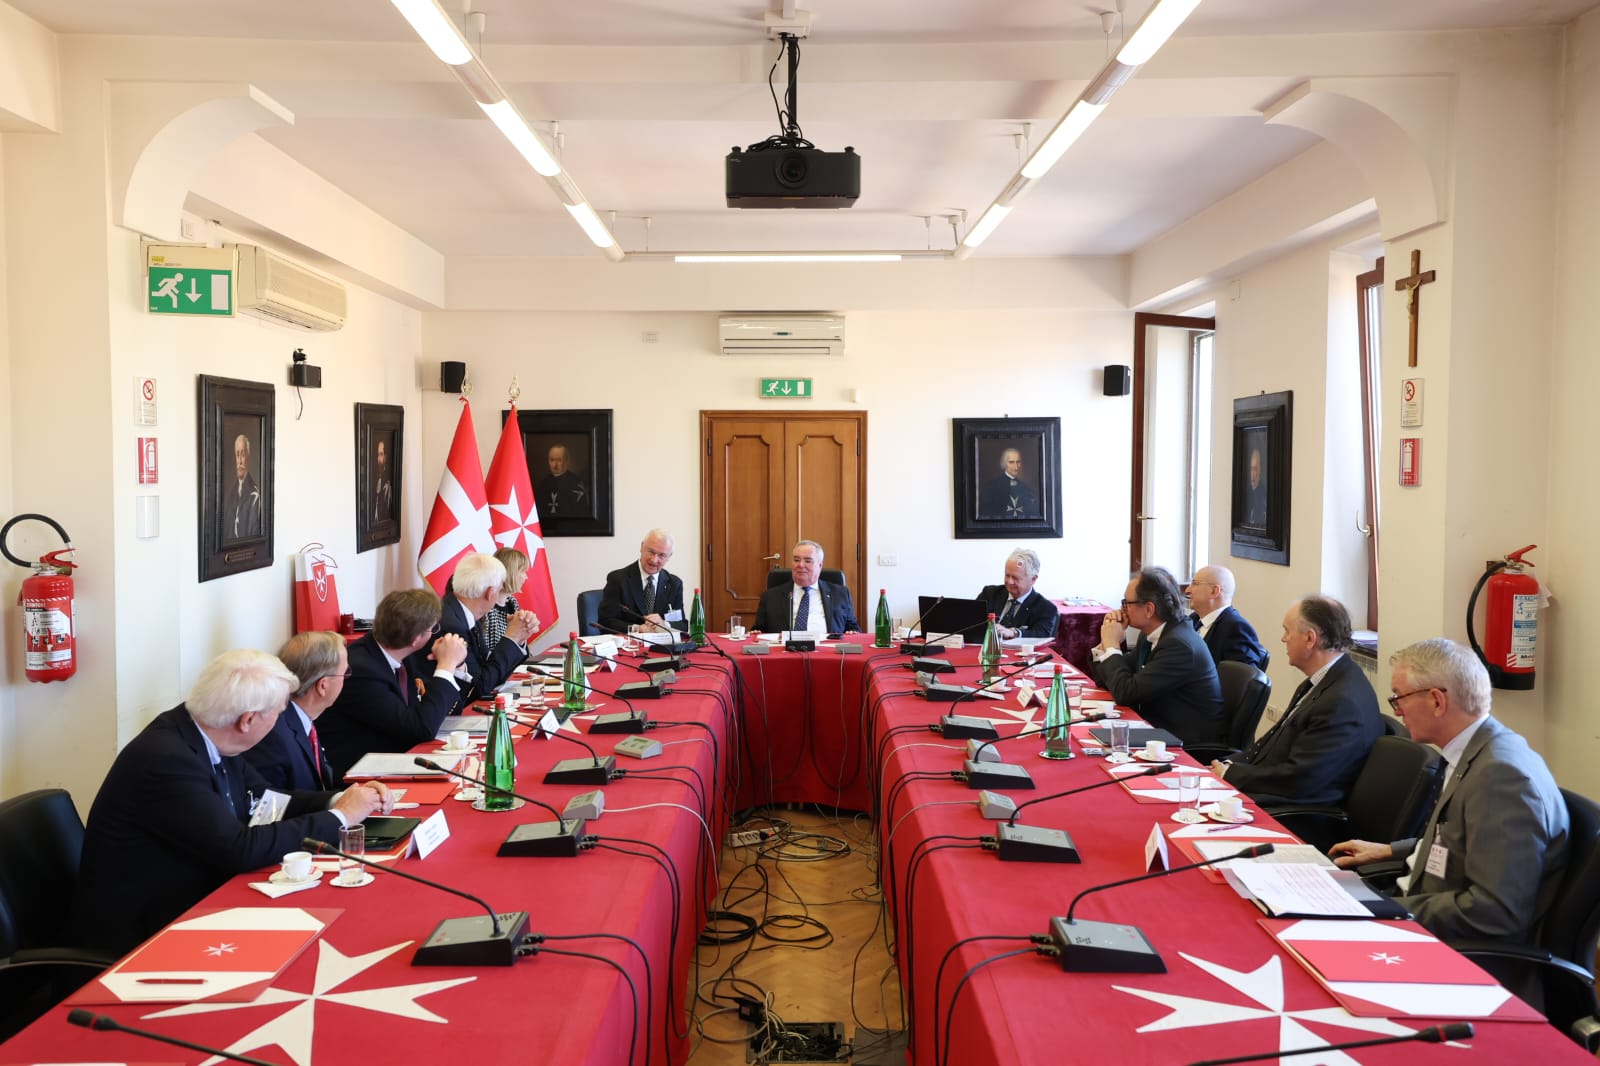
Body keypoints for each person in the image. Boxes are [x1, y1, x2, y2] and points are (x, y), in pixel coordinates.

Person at [69, 650, 389, 956]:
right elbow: (239, 849)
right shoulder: (166, 760)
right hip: (144, 928)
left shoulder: (210, 732)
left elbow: (265, 799)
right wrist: (341, 817)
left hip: (196, 896)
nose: (280, 721)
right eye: (278, 713)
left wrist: (339, 799)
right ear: (247, 720)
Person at [1330, 638, 1569, 944]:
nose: (1398, 711)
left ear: (1436, 701)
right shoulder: (1476, 751)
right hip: (1419, 909)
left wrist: (1384, 908)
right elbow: (1460, 839)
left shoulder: (1502, 778)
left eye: (1399, 698)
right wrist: (1390, 851)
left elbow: (1496, 911)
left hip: (1449, 946)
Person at [1209, 596, 1381, 807]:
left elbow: (1300, 778)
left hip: (1293, 811)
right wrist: (1230, 764)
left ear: (1310, 639)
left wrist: (1232, 774)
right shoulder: (1323, 680)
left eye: (1287, 631)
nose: (1283, 638)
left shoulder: (1340, 702)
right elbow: (1270, 744)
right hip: (1270, 790)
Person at [319, 588, 471, 778]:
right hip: (361, 777)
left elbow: (441, 714)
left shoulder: (400, 654)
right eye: (433, 629)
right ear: (416, 639)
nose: (434, 634)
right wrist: (446, 665)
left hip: (396, 760)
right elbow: (421, 729)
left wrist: (456, 665)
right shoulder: (361, 671)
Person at [1090, 567, 1224, 745]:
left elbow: (1125, 693)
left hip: (1182, 740)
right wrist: (1106, 645)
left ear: (1149, 609)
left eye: (1126, 603)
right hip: (1154, 728)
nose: (1123, 610)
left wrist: (1113, 645)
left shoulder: (1179, 646)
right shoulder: (1153, 634)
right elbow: (1107, 681)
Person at [421, 551, 538, 710]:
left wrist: (519, 638)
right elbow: (482, 685)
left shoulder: (461, 610)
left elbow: (487, 667)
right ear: (491, 593)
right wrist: (511, 638)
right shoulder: (453, 626)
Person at [245, 631, 347, 791]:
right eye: (345, 673)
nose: (346, 680)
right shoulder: (273, 735)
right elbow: (272, 806)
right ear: (323, 686)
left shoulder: (301, 719)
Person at [753, 540, 858, 636]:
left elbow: (852, 627)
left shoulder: (840, 593)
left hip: (828, 650)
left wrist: (852, 632)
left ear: (820, 565)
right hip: (785, 652)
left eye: (808, 561)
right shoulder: (770, 596)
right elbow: (759, 630)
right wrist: (756, 632)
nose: (800, 565)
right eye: (796, 560)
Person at [599, 529, 685, 635]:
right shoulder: (618, 579)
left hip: (663, 648)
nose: (654, 560)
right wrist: (637, 628)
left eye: (661, 555)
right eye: (651, 552)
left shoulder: (674, 584)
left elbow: (682, 625)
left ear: (669, 557)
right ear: (642, 547)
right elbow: (606, 621)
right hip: (629, 646)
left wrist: (664, 624)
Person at [1184, 565, 1269, 670]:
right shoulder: (1193, 620)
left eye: (1195, 584)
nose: (1187, 590)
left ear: (1214, 591)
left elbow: (1239, 680)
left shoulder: (1237, 628)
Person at [976, 547, 1059, 640]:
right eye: (1007, 575)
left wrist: (1014, 633)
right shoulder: (990, 594)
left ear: (1033, 579)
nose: (1009, 581)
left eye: (1015, 578)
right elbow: (972, 622)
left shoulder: (1045, 608)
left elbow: (1042, 635)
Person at [474, 547, 529, 658]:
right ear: (510, 572)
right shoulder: (487, 610)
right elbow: (489, 653)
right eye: (523, 571)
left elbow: (520, 648)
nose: (526, 577)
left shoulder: (512, 603)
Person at [977, 447, 1041, 519]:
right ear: (1004, 464)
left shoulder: (1025, 488)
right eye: (1011, 462)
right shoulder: (992, 486)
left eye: (1018, 462)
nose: (1016, 466)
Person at [224, 433, 263, 539]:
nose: (240, 461)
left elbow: (252, 536)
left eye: (243, 454)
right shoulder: (231, 494)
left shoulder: (254, 496)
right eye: (237, 455)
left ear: (248, 458)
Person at [537, 443, 587, 517]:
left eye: (559, 460)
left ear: (566, 461)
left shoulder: (575, 483)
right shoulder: (543, 484)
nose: (555, 464)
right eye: (552, 460)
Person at [1243, 446, 1267, 527]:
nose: (1253, 473)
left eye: (1255, 469)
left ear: (1260, 469)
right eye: (1251, 469)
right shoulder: (1247, 491)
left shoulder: (1263, 493)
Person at [371, 437, 393, 522]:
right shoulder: (375, 479)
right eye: (377, 455)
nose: (378, 459)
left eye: (381, 454)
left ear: (385, 457)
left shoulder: (388, 484)